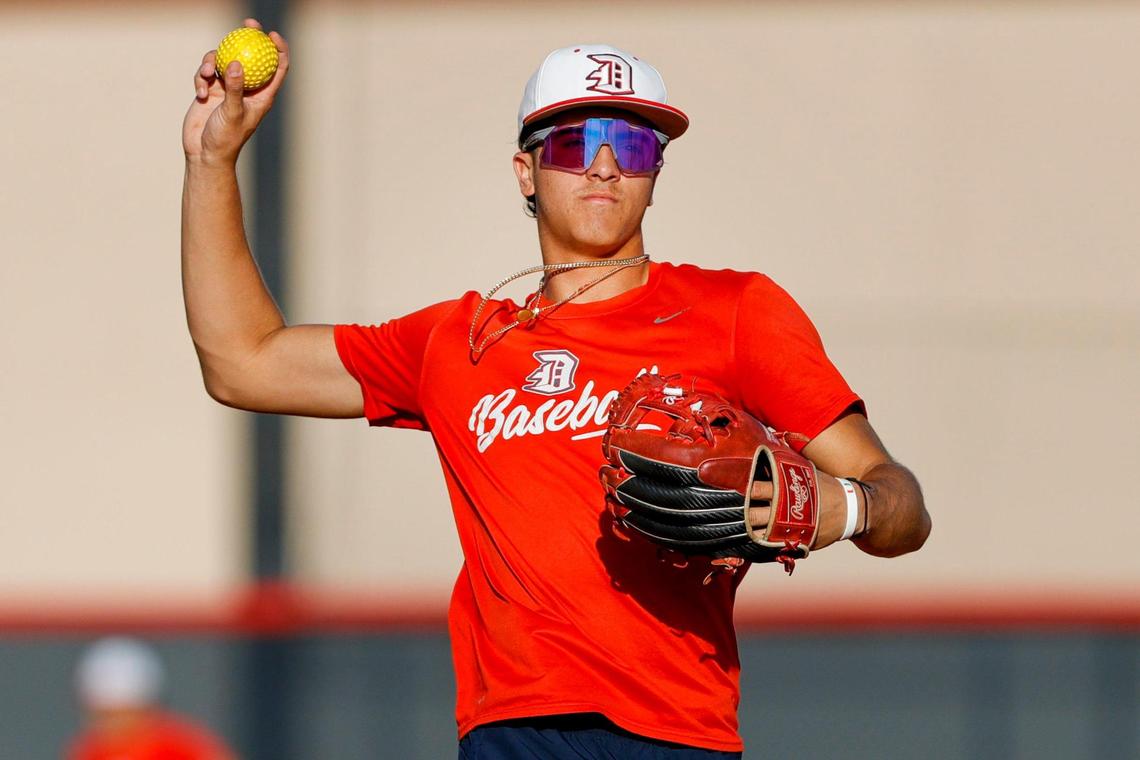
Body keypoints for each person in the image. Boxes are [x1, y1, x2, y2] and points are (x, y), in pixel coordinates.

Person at [182, 20, 931, 759]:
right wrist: (213, 161)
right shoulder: (459, 342)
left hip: (677, 731)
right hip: (514, 728)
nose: (604, 165)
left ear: (655, 173)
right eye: (575, 143)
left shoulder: (736, 313)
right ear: (525, 173)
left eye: (633, 145)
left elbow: (904, 507)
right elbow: (243, 361)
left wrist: (850, 505)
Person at [67, 637, 236, 760]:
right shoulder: (90, 751)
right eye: (100, 715)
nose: (110, 726)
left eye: (118, 715)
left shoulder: (181, 745)